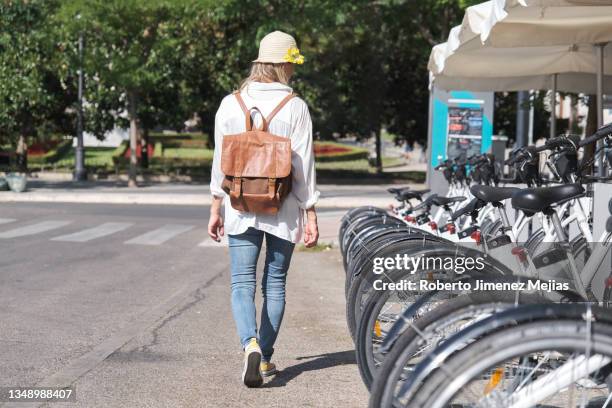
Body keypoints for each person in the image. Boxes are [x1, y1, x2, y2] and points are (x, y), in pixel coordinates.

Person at [207, 30, 320, 388]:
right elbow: (303, 166)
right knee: (275, 284)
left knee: (242, 283)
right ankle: (266, 357)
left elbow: (218, 162)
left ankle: (249, 344)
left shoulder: (230, 103)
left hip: (239, 204)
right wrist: (310, 211)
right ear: (284, 64)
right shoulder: (296, 107)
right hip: (282, 207)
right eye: (292, 63)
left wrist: (215, 205)